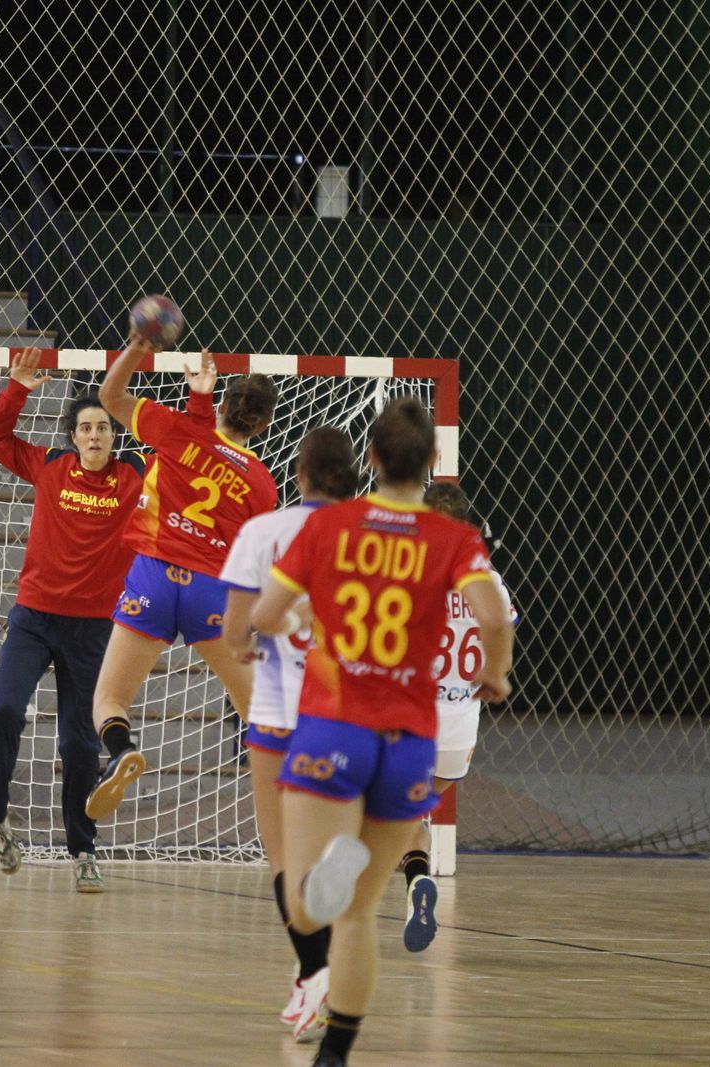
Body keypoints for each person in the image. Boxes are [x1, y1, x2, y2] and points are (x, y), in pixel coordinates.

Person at [251, 397, 513, 1067]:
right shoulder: (455, 539)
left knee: (312, 909)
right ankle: (336, 1055)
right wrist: (496, 674)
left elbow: (267, 612)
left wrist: (296, 627)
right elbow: (492, 616)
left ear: (368, 457)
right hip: (410, 742)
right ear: (432, 462)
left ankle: (326, 880)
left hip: (337, 726)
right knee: (361, 915)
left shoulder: (334, 525)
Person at [0, 346, 215, 892]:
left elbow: (188, 453)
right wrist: (16, 389)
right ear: (72, 436)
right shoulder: (50, 466)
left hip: (94, 629)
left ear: (115, 435)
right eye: (85, 428)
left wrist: (199, 401)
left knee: (79, 746)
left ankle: (83, 851)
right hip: (35, 618)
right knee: (3, 712)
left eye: (104, 428)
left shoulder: (135, 476)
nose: (94, 436)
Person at [85, 332, 281, 823]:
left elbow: (109, 398)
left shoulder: (179, 428)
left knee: (110, 698)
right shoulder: (262, 483)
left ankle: (121, 749)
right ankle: (288, 803)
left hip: (153, 574)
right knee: (254, 706)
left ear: (225, 404)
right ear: (262, 423)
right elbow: (253, 559)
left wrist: (137, 346)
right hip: (211, 589)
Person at [221, 426, 360, 1043]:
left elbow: (234, 631)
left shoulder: (265, 532)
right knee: (343, 847)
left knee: (283, 859)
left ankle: (314, 972)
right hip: (351, 713)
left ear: (299, 475)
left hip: (280, 714)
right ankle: (325, 971)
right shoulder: (373, 534)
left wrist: (249, 645)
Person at [393, 480, 517, 949]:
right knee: (411, 816)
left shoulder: (409, 573)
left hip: (410, 721)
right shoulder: (489, 583)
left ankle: (393, 882)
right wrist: (497, 674)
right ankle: (416, 878)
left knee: (379, 814)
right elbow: (502, 626)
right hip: (458, 732)